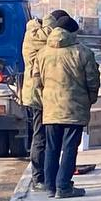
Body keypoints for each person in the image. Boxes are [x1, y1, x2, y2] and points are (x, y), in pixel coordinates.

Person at [33, 16, 101, 198]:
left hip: (50, 109)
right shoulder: (83, 52)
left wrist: (44, 101)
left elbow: (36, 82)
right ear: (72, 32)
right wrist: (90, 100)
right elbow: (92, 81)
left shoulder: (42, 53)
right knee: (70, 147)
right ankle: (63, 186)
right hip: (75, 108)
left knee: (51, 148)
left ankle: (50, 186)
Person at [21, 10, 72, 191]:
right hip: (39, 94)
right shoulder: (45, 36)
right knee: (41, 137)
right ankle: (39, 178)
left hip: (36, 92)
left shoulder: (34, 32)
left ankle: (45, 176)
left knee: (43, 137)